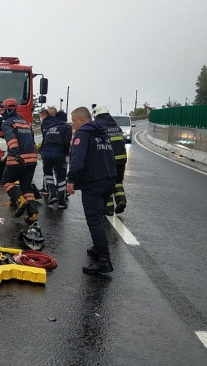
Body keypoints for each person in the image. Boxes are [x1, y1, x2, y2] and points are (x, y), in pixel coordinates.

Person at [66, 107, 117, 274]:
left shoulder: (83, 134)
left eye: (73, 120)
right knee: (99, 217)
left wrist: (71, 179)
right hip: (108, 181)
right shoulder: (102, 132)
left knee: (94, 221)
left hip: (93, 184)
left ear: (81, 120)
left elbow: (77, 159)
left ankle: (104, 261)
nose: (72, 124)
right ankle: (97, 248)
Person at [0, 98, 39, 223]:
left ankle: (20, 200)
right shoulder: (24, 122)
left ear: (7, 110)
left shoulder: (7, 123)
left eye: (3, 110)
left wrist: (15, 154)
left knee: (6, 181)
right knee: (26, 185)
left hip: (19, 158)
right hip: (32, 159)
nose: (2, 113)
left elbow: (12, 140)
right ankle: (33, 214)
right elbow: (32, 142)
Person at [92, 105, 127, 215]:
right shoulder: (116, 125)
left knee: (106, 182)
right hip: (121, 159)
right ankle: (121, 200)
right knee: (118, 181)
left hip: (108, 159)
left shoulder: (98, 125)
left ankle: (109, 208)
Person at [40, 106, 72, 209]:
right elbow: (67, 142)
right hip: (58, 152)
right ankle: (61, 202)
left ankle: (53, 194)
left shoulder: (50, 127)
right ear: (65, 119)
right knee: (61, 176)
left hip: (46, 152)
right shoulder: (66, 127)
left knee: (48, 173)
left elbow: (44, 139)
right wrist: (67, 153)